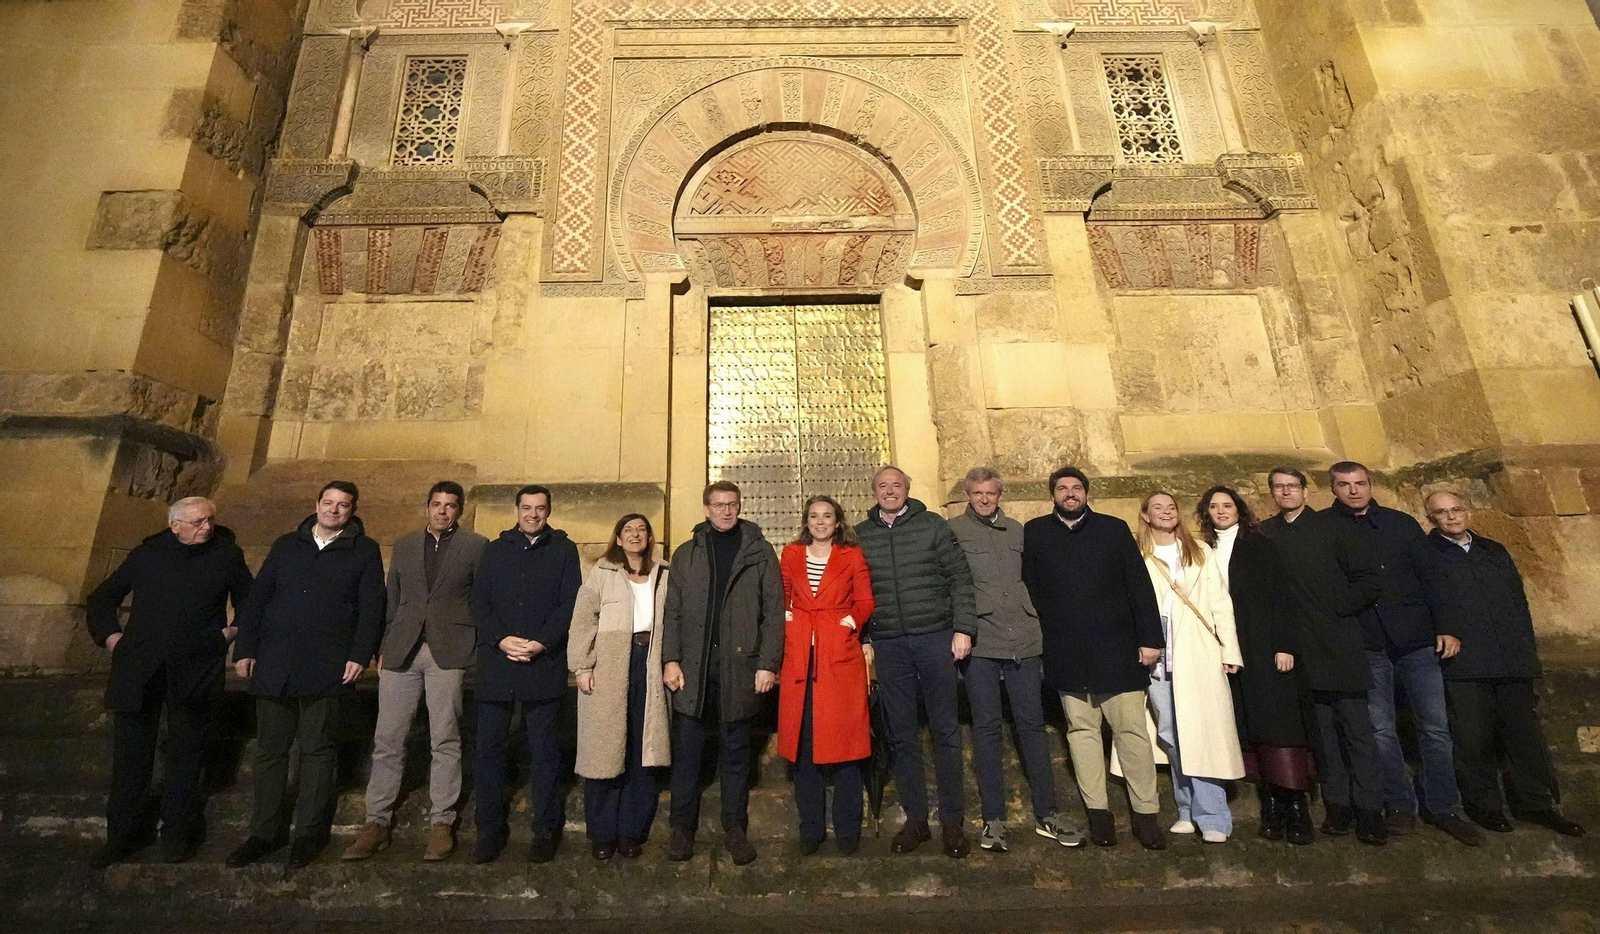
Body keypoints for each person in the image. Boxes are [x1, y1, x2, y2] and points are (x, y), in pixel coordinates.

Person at [85, 496, 253, 867]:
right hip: (139, 668)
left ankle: (177, 834)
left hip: (196, 668)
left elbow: (251, 602)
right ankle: (123, 837)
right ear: (174, 525)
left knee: (187, 754)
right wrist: (112, 638)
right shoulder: (148, 554)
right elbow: (102, 598)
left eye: (209, 519)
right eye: (196, 522)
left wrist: (229, 634)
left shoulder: (225, 555)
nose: (206, 527)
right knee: (131, 757)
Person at [227, 481, 385, 871]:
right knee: (270, 751)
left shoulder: (363, 550)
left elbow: (371, 607)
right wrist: (245, 647)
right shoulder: (286, 545)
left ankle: (309, 833)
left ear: (352, 511)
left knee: (317, 750)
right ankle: (264, 832)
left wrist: (359, 654)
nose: (333, 510)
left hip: (327, 664)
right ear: (316, 504)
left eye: (342, 505)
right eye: (328, 503)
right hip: (275, 662)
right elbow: (259, 597)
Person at [1324, 461, 1483, 846]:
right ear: (1333, 489)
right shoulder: (1325, 529)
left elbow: (1433, 576)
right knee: (1380, 731)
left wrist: (1447, 626)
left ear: (1370, 483)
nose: (1354, 491)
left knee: (1435, 728)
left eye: (1360, 483)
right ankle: (1399, 805)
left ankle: (1444, 806)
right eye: (1344, 485)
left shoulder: (1400, 524)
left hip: (1415, 639)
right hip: (1366, 641)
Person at [1022, 466, 1166, 851]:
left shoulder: (1113, 528)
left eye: (1077, 488)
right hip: (1067, 654)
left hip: (1118, 651)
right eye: (1063, 488)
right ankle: (1099, 816)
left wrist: (1150, 639)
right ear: (1053, 495)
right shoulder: (1035, 533)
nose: (1070, 493)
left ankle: (1146, 815)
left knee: (1133, 735)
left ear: (1086, 493)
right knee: (1082, 736)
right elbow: (1031, 591)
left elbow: (1139, 585)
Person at [1425, 491, 1584, 838]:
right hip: (1465, 665)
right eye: (1442, 512)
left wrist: (1528, 653)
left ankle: (1536, 804)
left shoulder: (1493, 551)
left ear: (1467, 511)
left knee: (1525, 737)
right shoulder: (1426, 555)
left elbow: (1518, 603)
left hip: (1512, 661)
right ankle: (1485, 807)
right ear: (1431, 518)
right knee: (1474, 740)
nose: (1451, 517)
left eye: (1456, 509)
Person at [343, 481, 487, 863]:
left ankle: (442, 822)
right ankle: (376, 822)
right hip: (402, 649)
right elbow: (393, 595)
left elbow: (480, 599)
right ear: (427, 508)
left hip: (449, 651)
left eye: (450, 505)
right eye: (436, 504)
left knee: (445, 738)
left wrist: (474, 646)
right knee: (388, 738)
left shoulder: (475, 546)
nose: (442, 511)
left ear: (460, 510)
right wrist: (384, 644)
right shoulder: (405, 544)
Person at [948, 467, 1083, 853]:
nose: (984, 499)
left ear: (1000, 494)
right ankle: (993, 819)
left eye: (990, 493)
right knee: (987, 729)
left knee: (1032, 727)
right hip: (982, 642)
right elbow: (952, 584)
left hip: (1023, 639)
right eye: (977, 493)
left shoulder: (1020, 532)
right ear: (968, 495)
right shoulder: (954, 531)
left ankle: (1047, 813)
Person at [1259, 467, 1387, 845]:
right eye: (1278, 487)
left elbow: (1369, 581)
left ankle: (1370, 810)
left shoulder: (1336, 528)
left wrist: (1335, 608)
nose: (1285, 492)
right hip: (1301, 651)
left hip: (1340, 645)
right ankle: (1338, 805)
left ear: (1305, 490)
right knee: (1323, 737)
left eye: (1292, 486)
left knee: (1358, 734)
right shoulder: (1266, 534)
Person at [855, 465, 977, 858]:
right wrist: (866, 637)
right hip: (890, 646)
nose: (890, 491)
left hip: (935, 638)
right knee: (902, 735)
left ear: (908, 488)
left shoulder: (933, 526)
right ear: (874, 492)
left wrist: (963, 629)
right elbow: (855, 591)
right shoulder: (861, 535)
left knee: (945, 731)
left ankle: (953, 823)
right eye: (882, 486)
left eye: (896, 485)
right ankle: (917, 820)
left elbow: (959, 578)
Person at [661, 481, 784, 865]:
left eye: (732, 505)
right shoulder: (687, 554)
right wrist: (670, 659)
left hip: (740, 667)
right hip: (693, 671)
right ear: (706, 509)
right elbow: (673, 612)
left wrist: (767, 663)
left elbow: (774, 614)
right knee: (687, 756)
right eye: (718, 505)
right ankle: (682, 830)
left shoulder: (761, 553)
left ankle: (735, 830)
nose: (726, 511)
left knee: (735, 756)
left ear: (740, 506)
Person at [470, 484, 583, 864]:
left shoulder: (564, 550)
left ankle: (545, 831)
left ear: (549, 511)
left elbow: (571, 603)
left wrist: (541, 642)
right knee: (488, 751)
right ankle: (488, 830)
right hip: (497, 664)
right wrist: (501, 639)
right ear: (516, 509)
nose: (533, 514)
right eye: (526, 507)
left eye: (540, 508)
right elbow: (479, 601)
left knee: (545, 752)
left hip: (542, 663)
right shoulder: (494, 549)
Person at [1198, 486, 1316, 846]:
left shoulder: (1259, 544)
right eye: (1214, 507)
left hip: (1265, 647)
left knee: (1278, 723)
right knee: (1247, 725)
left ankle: (1296, 807)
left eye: (1227, 505)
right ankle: (1270, 805)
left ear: (1239, 509)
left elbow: (1282, 595)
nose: (1221, 511)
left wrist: (1285, 645)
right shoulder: (1203, 550)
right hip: (1227, 651)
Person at [1134, 492, 1244, 843]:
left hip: (1195, 645)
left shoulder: (1199, 550)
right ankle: (1186, 809)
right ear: (1146, 516)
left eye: (1171, 508)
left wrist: (1230, 650)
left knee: (1202, 731)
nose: (1166, 513)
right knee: (1170, 732)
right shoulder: (1137, 553)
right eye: (1158, 508)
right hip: (1157, 645)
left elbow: (1219, 602)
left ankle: (1213, 815)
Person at [569, 514, 673, 860]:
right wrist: (582, 666)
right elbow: (584, 619)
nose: (635, 535)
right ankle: (602, 834)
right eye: (628, 530)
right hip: (610, 665)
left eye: (641, 530)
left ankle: (631, 832)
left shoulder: (664, 573)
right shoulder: (603, 572)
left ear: (649, 537)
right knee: (604, 750)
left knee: (642, 751)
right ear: (617, 537)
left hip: (649, 663)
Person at [777, 495, 874, 856]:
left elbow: (864, 601)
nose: (820, 522)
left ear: (837, 522)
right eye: (814, 516)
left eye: (827, 516)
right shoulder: (790, 554)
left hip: (839, 657)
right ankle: (811, 828)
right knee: (804, 747)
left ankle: (848, 829)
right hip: (800, 654)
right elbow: (782, 595)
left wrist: (848, 622)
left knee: (846, 747)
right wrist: (790, 622)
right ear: (807, 521)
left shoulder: (851, 555)